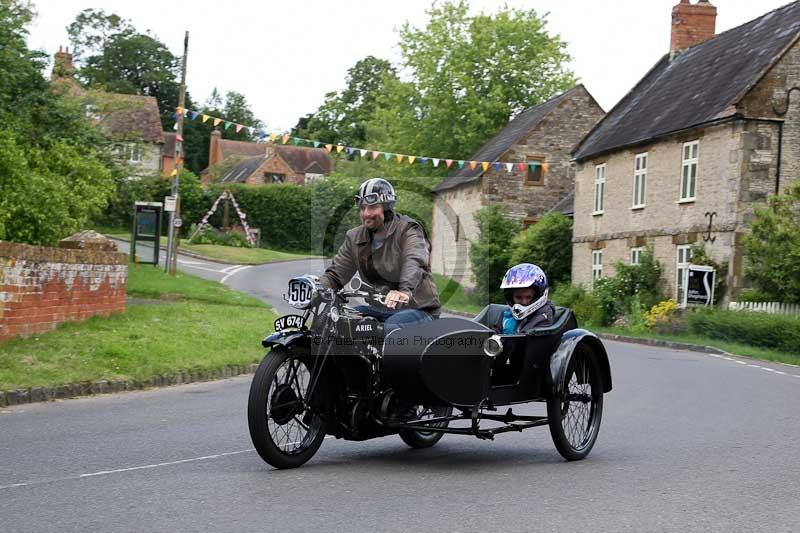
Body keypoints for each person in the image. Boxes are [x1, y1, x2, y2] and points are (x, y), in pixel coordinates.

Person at [319, 178, 441, 334]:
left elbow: (415, 261)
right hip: (379, 308)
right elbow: (336, 274)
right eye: (362, 208)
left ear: (387, 207)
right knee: (339, 322)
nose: (366, 213)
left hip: (418, 309)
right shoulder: (355, 237)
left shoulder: (408, 230)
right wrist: (317, 288)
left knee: (387, 330)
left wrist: (404, 291)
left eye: (372, 207)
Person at [494, 263, 555, 334]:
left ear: (537, 296)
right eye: (518, 297)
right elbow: (496, 330)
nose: (524, 302)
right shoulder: (507, 313)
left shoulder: (543, 316)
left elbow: (525, 338)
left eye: (529, 297)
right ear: (510, 297)